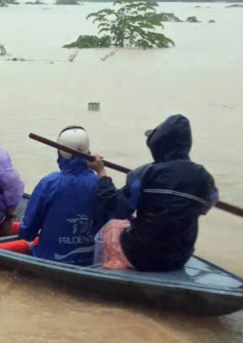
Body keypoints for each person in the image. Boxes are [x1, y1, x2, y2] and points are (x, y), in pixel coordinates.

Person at [89, 114, 219, 272]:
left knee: (113, 225)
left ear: (157, 145)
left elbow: (117, 208)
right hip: (179, 258)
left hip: (139, 256)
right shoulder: (204, 178)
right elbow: (207, 205)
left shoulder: (144, 174)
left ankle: (110, 269)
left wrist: (101, 173)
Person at [16, 126, 104, 266]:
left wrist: (24, 233)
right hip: (89, 259)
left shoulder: (49, 183)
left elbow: (28, 232)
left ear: (61, 153)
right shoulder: (101, 184)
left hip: (50, 258)